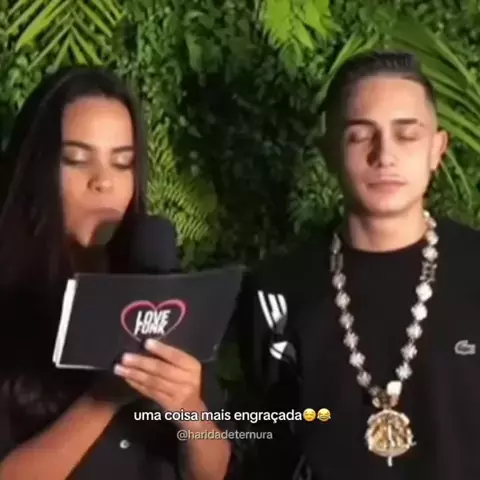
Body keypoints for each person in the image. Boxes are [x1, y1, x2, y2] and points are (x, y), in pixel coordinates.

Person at [235, 51, 480, 479]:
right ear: (330, 152)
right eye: (360, 135)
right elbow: (266, 447)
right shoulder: (276, 289)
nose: (384, 155)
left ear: (436, 149)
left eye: (407, 135)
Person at [0, 67, 231, 479]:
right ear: (37, 168)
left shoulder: (160, 288)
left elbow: (212, 472)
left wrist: (189, 410)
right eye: (77, 160)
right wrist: (104, 399)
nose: (104, 182)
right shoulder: (11, 298)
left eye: (122, 163)